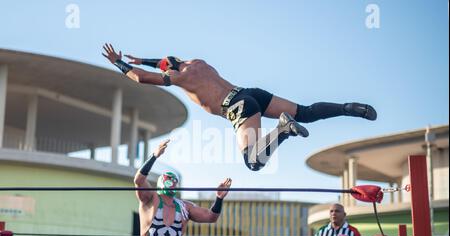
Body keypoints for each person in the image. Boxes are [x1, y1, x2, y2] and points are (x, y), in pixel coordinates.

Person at [102, 44, 377, 172]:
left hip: (235, 107)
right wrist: (146, 59)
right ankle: (350, 108)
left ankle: (283, 130)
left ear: (169, 69)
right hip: (249, 93)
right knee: (305, 112)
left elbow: (141, 77)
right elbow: (165, 60)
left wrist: (120, 63)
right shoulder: (199, 63)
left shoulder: (178, 77)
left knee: (254, 162)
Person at [131, 140, 232, 236]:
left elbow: (211, 217)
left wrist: (219, 198)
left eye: (174, 180)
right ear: (161, 182)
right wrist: (155, 156)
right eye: (169, 179)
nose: (172, 183)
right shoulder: (151, 199)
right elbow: (138, 180)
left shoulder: (185, 207)